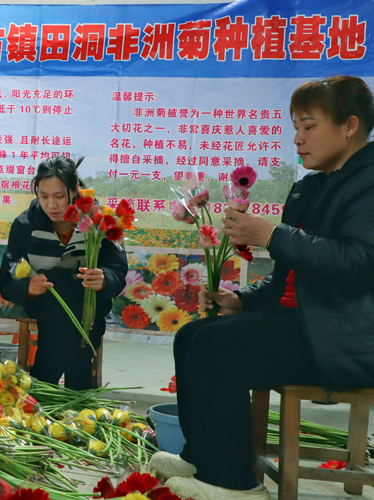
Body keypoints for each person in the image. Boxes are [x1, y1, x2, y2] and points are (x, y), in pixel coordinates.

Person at [150, 76, 374, 500]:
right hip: (303, 324)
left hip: (342, 338)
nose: (298, 138)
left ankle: (235, 483)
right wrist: (241, 300)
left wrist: (272, 235)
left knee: (217, 346)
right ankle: (203, 456)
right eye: (296, 127)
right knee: (192, 335)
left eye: (309, 126)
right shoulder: (311, 186)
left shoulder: (369, 182)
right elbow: (287, 278)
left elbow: (358, 263)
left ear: (349, 126)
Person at [0, 156, 128, 390]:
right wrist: (27, 287)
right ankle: (79, 385)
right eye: (43, 196)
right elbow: (7, 280)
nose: (51, 205)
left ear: (75, 190)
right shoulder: (25, 225)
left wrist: (104, 278)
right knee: (57, 284)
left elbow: (118, 272)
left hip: (90, 308)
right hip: (45, 306)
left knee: (71, 289)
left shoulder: (100, 221)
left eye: (59, 196)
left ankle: (42, 382)